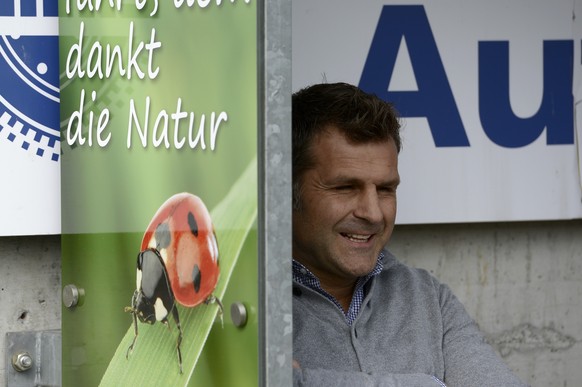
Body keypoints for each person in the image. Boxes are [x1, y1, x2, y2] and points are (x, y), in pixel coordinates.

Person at [291, 82, 527, 387]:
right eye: (345, 187)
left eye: (386, 189)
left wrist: (306, 380)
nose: (373, 213)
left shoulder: (429, 298)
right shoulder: (247, 306)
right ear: (285, 190)